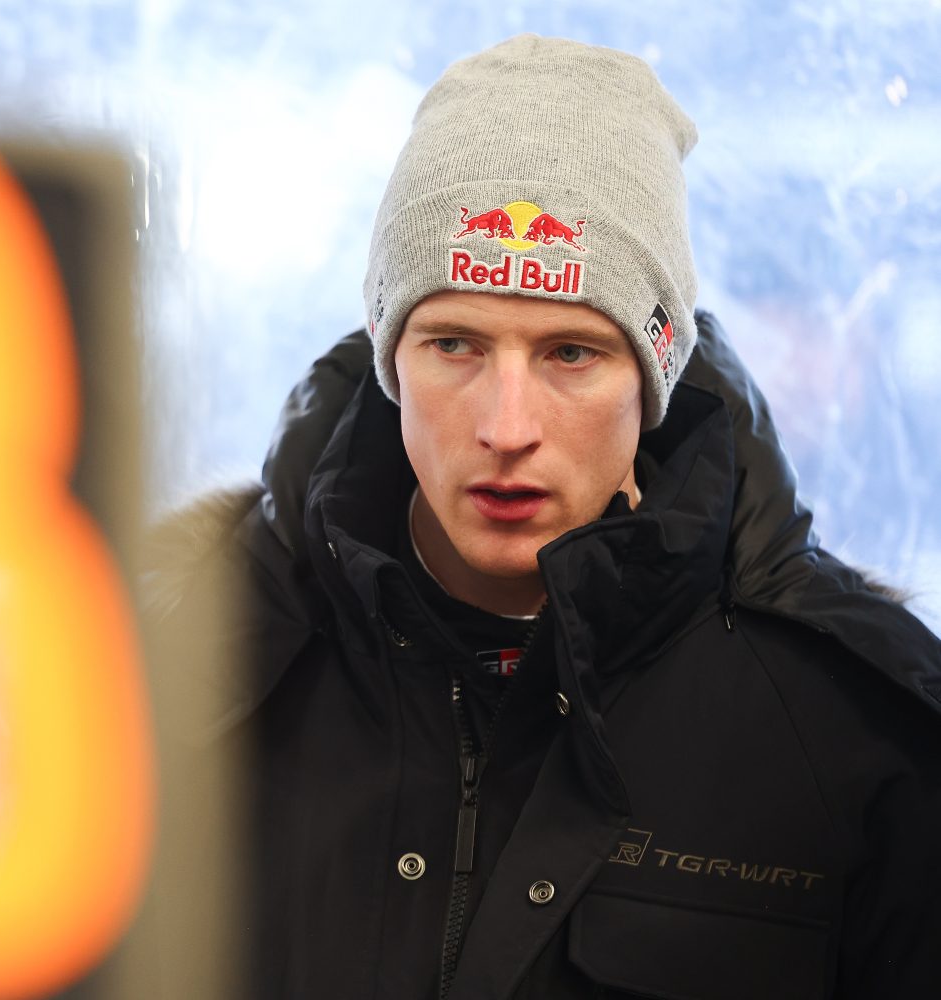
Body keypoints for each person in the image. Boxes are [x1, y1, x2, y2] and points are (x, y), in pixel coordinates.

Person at [149, 34, 941, 999]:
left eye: (571, 353)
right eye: (454, 344)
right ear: (392, 360)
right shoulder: (175, 667)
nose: (507, 427)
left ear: (653, 379)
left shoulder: (855, 732)